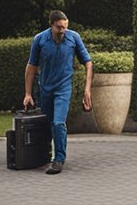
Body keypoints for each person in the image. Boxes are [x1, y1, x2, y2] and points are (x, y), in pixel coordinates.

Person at [23, 10, 92, 175]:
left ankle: (59, 159)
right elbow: (31, 67)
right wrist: (27, 94)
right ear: (52, 25)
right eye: (60, 28)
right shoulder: (40, 40)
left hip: (63, 88)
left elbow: (88, 63)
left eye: (65, 27)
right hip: (45, 88)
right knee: (47, 124)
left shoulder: (73, 38)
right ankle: (44, 155)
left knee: (58, 122)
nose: (63, 31)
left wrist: (87, 90)